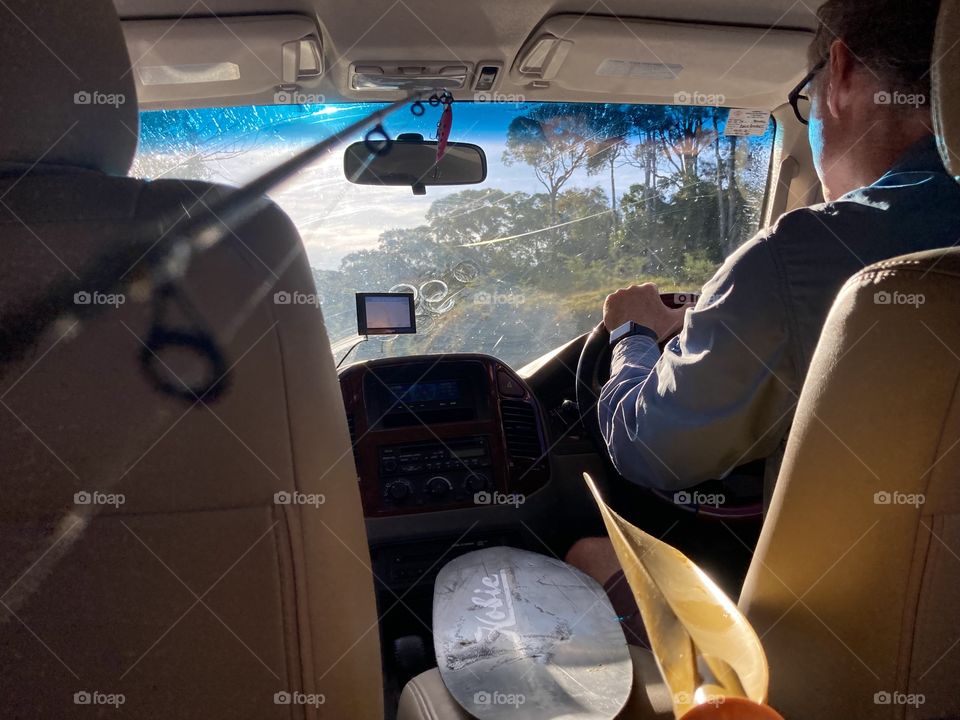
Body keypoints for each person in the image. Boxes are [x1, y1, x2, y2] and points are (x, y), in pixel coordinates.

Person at [566, 0, 960, 635]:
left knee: (588, 550)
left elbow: (653, 454)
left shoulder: (799, 258)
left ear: (843, 72)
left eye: (806, 98)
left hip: (847, 639)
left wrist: (631, 334)